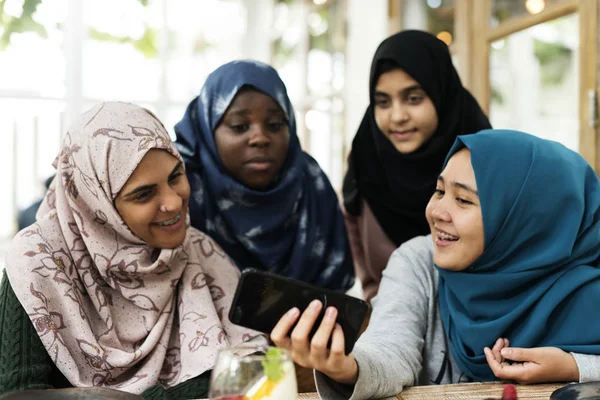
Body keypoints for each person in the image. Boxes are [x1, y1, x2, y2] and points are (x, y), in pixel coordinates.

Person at [272, 129, 600, 399]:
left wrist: (573, 366)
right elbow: (390, 347)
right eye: (440, 191)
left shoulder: (586, 286)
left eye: (463, 200)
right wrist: (348, 368)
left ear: (526, 220)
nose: (437, 212)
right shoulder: (418, 261)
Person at [0, 102, 266, 399]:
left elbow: (254, 366)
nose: (174, 202)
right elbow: (18, 394)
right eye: (143, 194)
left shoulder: (198, 251)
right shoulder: (37, 260)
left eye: (175, 176)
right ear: (95, 205)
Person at [174, 60, 354, 292]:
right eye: (239, 126)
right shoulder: (182, 188)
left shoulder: (311, 182)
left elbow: (337, 295)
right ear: (206, 129)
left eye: (275, 125)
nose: (260, 138)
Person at [342, 30, 491, 301]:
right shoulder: (366, 162)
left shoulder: (485, 161)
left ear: (440, 94)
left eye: (413, 99)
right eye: (383, 102)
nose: (397, 116)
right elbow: (370, 282)